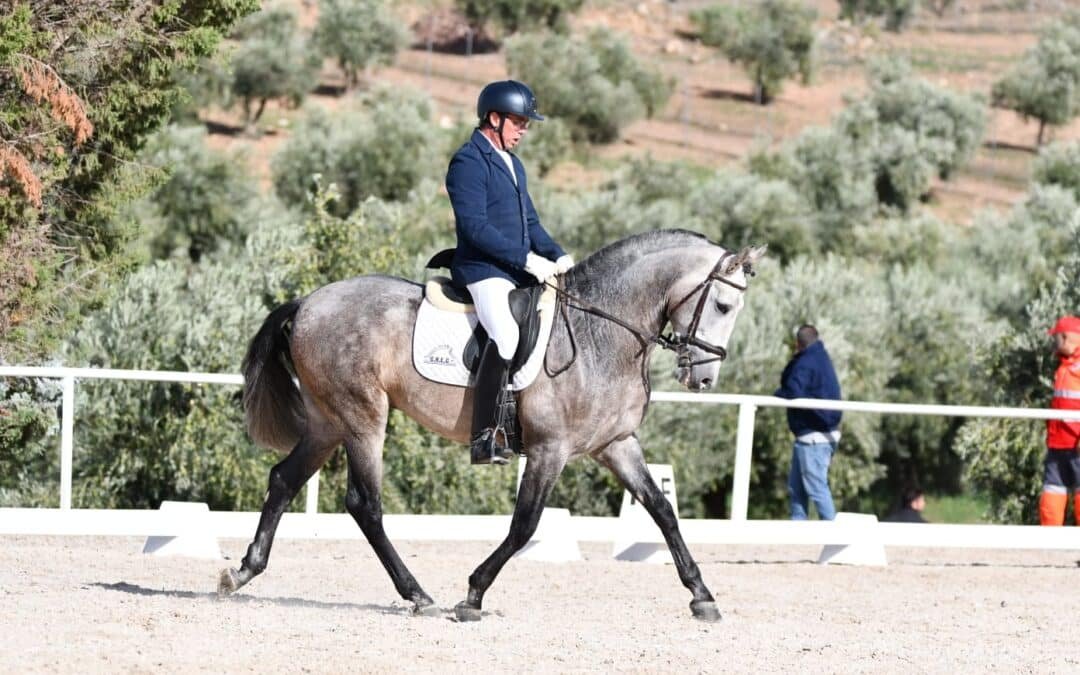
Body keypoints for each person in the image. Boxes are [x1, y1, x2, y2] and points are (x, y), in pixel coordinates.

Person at [445, 80, 573, 466]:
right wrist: (526, 259)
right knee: (504, 332)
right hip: (482, 268)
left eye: (526, 124)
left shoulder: (513, 164)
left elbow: (530, 223)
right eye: (518, 122)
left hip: (513, 268)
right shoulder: (468, 161)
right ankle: (485, 435)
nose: (523, 130)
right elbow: (475, 227)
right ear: (494, 118)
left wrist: (556, 254)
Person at [775, 324, 842, 520]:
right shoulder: (821, 357)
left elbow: (793, 391)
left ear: (798, 343)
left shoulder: (805, 363)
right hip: (814, 434)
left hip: (813, 436)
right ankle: (798, 532)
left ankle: (834, 535)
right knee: (797, 487)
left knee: (815, 487)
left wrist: (779, 394)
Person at [1039, 315, 1080, 525]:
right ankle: (1050, 545)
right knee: (1053, 491)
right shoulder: (1064, 367)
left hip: (1076, 444)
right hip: (1058, 444)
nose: (1053, 341)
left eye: (1055, 337)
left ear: (1065, 338)